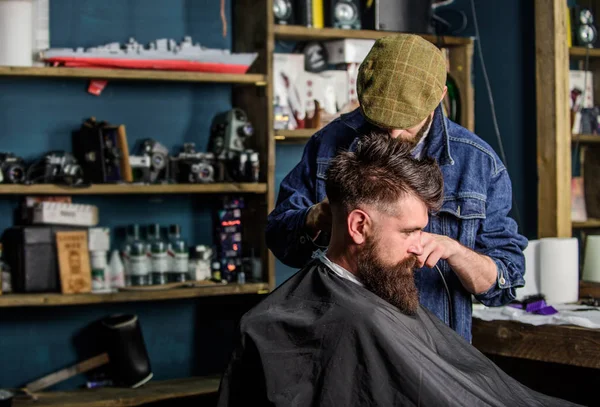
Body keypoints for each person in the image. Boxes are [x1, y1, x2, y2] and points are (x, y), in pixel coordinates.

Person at [216, 134, 577, 407]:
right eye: (410, 232)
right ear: (358, 226)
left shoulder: (373, 300)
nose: (420, 246)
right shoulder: (349, 320)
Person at [266, 33, 528, 342]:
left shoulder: (479, 164)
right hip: (342, 339)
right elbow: (279, 237)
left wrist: (455, 252)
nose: (391, 131)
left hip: (434, 351)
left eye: (405, 121)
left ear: (439, 96)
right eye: (379, 118)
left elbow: (505, 282)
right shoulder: (328, 144)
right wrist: (314, 217)